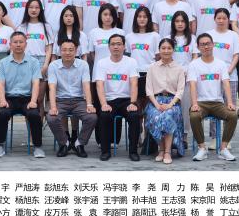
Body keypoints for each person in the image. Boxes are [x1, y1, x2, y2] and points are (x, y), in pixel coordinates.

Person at [187, 33, 239, 161]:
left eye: (208, 44)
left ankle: (223, 148)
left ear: (212, 45)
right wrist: (194, 103)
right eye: (202, 44)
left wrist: (230, 102)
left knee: (232, 115)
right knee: (194, 116)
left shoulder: (221, 64)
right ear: (198, 47)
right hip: (201, 103)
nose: (206, 47)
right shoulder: (194, 65)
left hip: (217, 103)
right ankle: (202, 148)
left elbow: (226, 83)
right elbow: (192, 85)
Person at [0, 32, 45, 158]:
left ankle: (38, 146)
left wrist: (33, 101)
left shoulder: (34, 62)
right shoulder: (3, 62)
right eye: (15, 42)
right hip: (9, 98)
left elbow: (36, 83)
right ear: (10, 45)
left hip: (27, 98)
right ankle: (0, 145)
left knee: (34, 115)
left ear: (26, 44)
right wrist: (2, 100)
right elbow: (1, 84)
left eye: (21, 42)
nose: (18, 44)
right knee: (2, 113)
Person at [92, 33, 143, 161]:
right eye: (113, 44)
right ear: (109, 47)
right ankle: (105, 151)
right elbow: (99, 85)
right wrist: (103, 104)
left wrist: (133, 103)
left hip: (126, 100)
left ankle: (133, 151)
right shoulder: (102, 63)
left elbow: (134, 83)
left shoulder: (131, 62)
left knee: (134, 116)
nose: (116, 47)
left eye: (119, 44)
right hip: (109, 100)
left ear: (124, 47)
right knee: (104, 115)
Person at [45, 37, 96, 158]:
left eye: (71, 50)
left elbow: (86, 86)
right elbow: (52, 88)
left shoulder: (83, 65)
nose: (67, 53)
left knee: (92, 117)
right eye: (64, 50)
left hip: (79, 101)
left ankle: (79, 143)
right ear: (60, 51)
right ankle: (65, 143)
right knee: (51, 118)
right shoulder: (53, 66)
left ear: (76, 50)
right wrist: (53, 107)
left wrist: (89, 104)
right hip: (60, 101)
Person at [142, 39, 185, 164]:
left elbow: (180, 91)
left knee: (168, 115)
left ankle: (167, 151)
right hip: (155, 101)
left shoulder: (179, 68)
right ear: (159, 50)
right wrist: (156, 105)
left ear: (173, 50)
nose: (166, 51)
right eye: (163, 48)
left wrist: (170, 105)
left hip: (172, 101)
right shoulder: (152, 67)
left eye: (169, 48)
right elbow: (149, 90)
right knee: (155, 115)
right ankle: (161, 149)